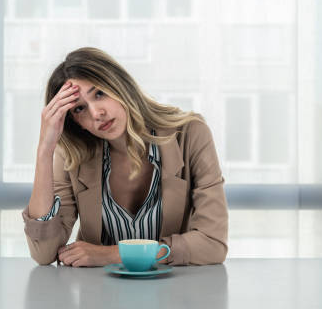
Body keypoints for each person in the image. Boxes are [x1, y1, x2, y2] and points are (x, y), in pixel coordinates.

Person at [22, 47, 228, 267]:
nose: (96, 113)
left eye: (99, 94)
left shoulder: (190, 134)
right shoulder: (73, 155)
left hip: (175, 293)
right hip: (99, 293)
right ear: (74, 121)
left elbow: (213, 243)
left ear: (119, 84)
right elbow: (44, 253)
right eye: (80, 109)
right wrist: (45, 150)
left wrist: (112, 255)